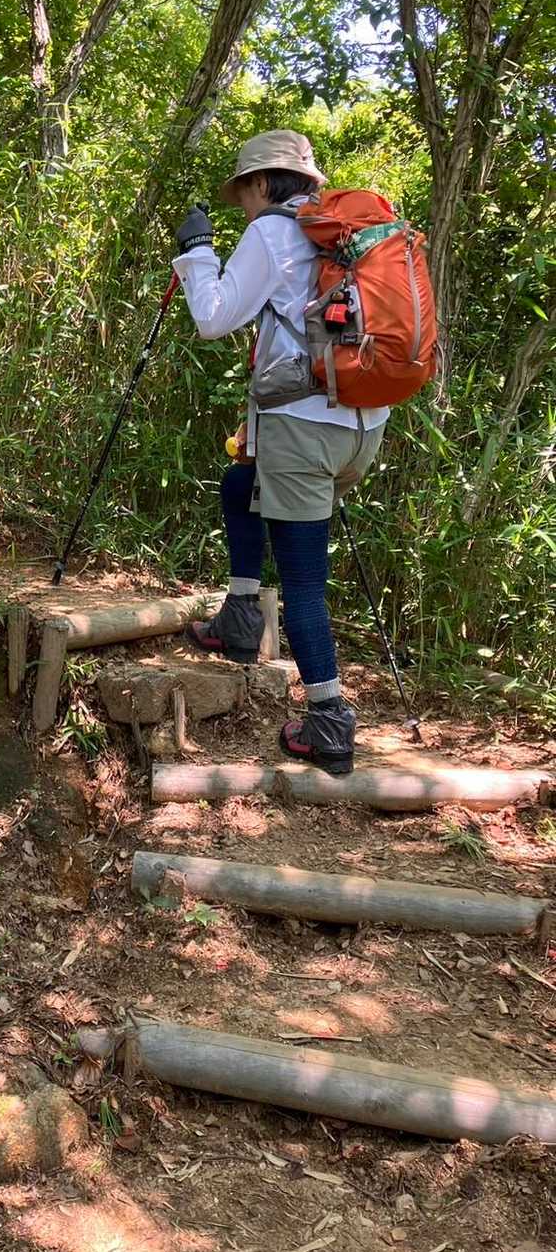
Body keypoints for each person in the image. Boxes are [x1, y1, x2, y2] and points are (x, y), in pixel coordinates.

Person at [171, 129, 388, 776]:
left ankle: (328, 723)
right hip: (363, 426)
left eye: (243, 191)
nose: (242, 203)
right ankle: (240, 617)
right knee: (241, 484)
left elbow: (213, 318)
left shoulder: (272, 231)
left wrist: (197, 253)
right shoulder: (343, 234)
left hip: (303, 427)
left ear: (262, 183)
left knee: (303, 582)